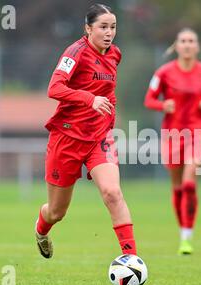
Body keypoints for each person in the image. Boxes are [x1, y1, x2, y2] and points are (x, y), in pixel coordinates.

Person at [35, 3, 137, 259]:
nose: (109, 32)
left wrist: (109, 117)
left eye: (113, 27)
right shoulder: (75, 52)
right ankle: (41, 230)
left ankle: (131, 259)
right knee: (56, 212)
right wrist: (89, 99)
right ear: (88, 29)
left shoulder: (115, 54)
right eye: (103, 27)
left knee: (113, 193)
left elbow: (109, 91)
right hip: (67, 138)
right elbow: (54, 88)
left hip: (98, 138)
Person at [144, 28, 201, 255]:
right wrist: (163, 105)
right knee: (178, 186)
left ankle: (187, 236)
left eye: (192, 40)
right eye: (183, 41)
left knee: (190, 181)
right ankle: (183, 232)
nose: (188, 44)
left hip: (199, 132)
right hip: (172, 134)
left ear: (197, 46)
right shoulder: (164, 72)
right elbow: (149, 99)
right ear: (177, 46)